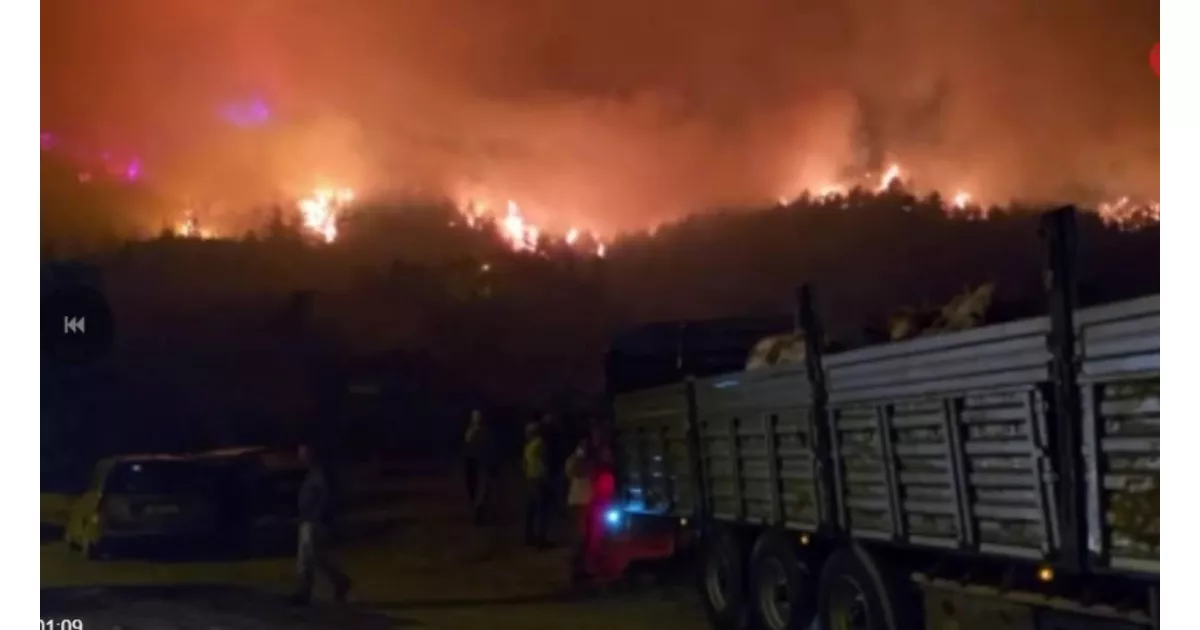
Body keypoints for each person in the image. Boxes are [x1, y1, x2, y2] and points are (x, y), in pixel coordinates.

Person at [290, 442, 352, 606]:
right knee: (316, 557)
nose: (301, 457)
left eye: (304, 454)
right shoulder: (313, 474)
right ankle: (339, 582)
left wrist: (319, 517)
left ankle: (305, 591)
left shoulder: (320, 475)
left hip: (314, 521)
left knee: (307, 558)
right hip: (309, 520)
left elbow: (325, 498)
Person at [564, 437, 595, 585]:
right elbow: (575, 472)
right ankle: (576, 572)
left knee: (584, 538)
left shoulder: (581, 460)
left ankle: (581, 569)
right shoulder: (577, 460)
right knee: (579, 538)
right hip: (579, 502)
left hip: (584, 501)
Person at [522, 422, 550, 548]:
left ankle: (532, 537)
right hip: (536, 478)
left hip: (535, 478)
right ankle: (538, 538)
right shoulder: (537, 444)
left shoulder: (535, 445)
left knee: (534, 509)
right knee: (539, 509)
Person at [463, 409, 494, 524]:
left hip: (477, 462)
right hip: (477, 462)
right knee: (478, 490)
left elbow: (468, 441)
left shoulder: (476, 431)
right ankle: (479, 515)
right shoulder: (480, 431)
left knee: (478, 490)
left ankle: (479, 515)